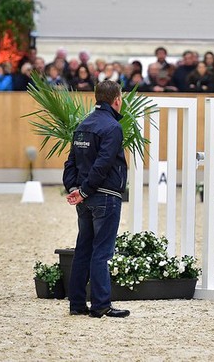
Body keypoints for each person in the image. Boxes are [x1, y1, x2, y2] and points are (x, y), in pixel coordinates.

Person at [62, 80, 130, 318]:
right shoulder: (112, 127)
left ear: (95, 98)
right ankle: (101, 304)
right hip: (105, 197)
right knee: (102, 252)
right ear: (117, 100)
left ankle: (77, 304)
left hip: (85, 198)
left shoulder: (84, 125)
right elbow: (103, 164)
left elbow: (71, 163)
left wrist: (74, 187)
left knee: (84, 250)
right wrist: (84, 190)